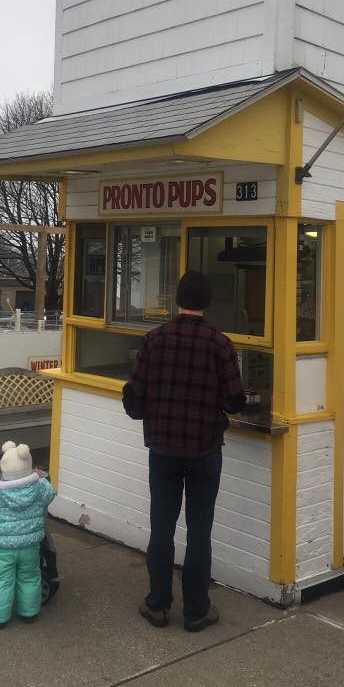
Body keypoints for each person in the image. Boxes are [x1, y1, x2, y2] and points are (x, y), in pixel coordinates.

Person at [123, 270, 245, 632]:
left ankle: (158, 605)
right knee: (199, 531)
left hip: (162, 451)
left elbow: (134, 401)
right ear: (207, 302)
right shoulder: (220, 344)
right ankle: (196, 611)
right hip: (205, 450)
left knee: (161, 528)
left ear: (177, 299)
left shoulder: (154, 340)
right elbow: (235, 401)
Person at [0, 441, 56, 628]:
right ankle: (29, 613)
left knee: (0, 580)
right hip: (30, 545)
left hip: (3, 548)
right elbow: (50, 493)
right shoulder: (38, 487)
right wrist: (37, 477)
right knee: (29, 577)